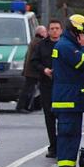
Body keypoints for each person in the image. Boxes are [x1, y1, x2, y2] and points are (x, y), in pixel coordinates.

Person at [52, 14, 84, 167]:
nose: (83, 37)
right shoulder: (66, 46)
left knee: (72, 136)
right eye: (81, 33)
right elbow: (80, 63)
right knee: (68, 137)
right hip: (68, 101)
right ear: (75, 31)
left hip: (71, 101)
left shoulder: (69, 44)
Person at [30, 19, 62, 158]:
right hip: (46, 85)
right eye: (52, 28)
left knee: (62, 117)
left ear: (61, 30)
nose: (54, 31)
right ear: (48, 31)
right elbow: (34, 61)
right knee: (49, 117)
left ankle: (62, 145)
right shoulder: (42, 45)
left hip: (62, 86)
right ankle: (53, 147)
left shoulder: (65, 45)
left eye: (57, 28)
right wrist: (44, 70)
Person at [15, 25, 46, 112]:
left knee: (29, 89)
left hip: (30, 70)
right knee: (28, 89)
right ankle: (22, 107)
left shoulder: (34, 41)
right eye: (44, 32)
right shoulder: (38, 42)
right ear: (40, 33)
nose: (46, 33)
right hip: (32, 71)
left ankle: (27, 106)